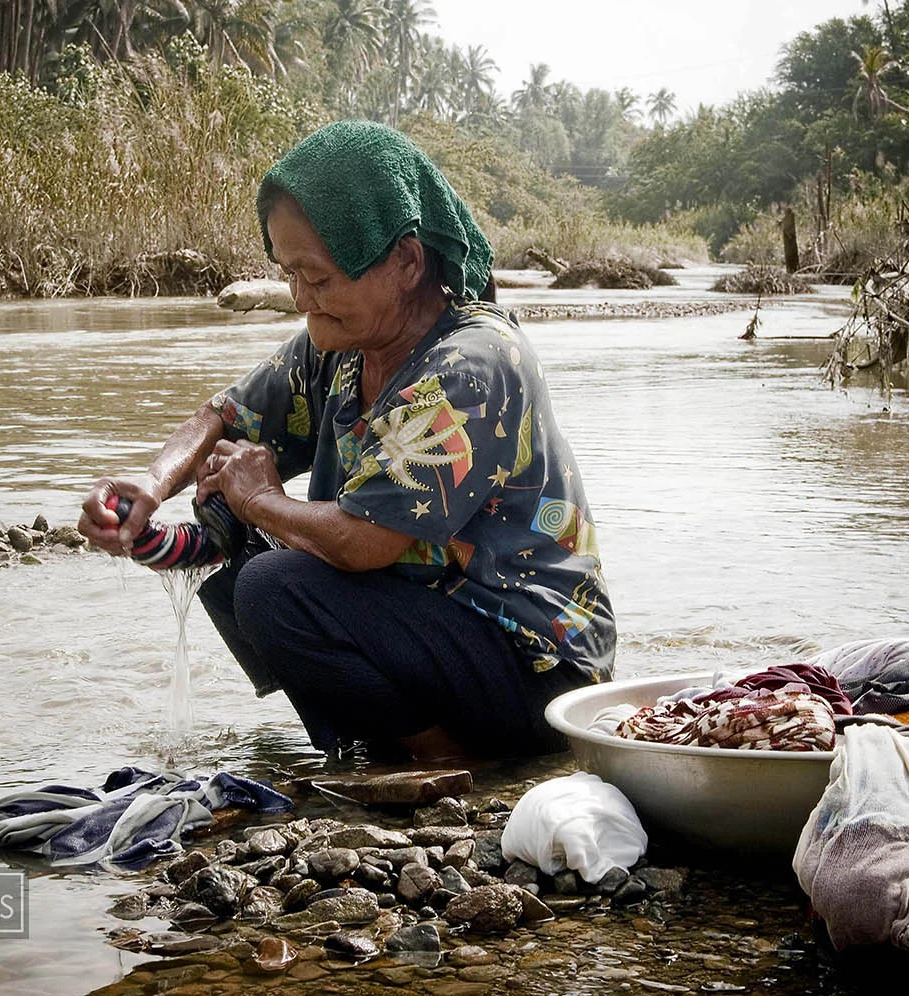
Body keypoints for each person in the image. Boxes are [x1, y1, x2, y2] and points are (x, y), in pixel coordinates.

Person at [79, 121, 615, 760]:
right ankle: (378, 746)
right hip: (432, 631)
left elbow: (364, 542)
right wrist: (153, 484)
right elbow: (222, 416)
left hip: (535, 666)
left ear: (406, 262)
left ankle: (444, 762)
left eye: (318, 278)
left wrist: (260, 501)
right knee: (239, 513)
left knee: (273, 582)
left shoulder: (471, 366)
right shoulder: (342, 346)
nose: (300, 298)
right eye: (289, 275)